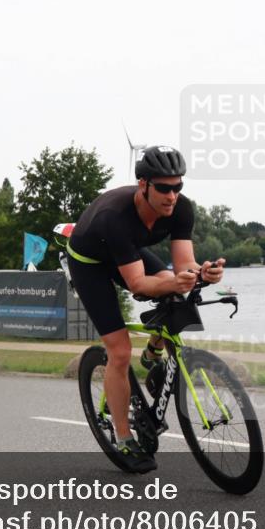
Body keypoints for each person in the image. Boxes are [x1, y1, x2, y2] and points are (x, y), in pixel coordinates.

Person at [66, 145, 225, 473]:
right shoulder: (116, 216)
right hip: (90, 261)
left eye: (178, 187)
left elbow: (184, 266)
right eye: (164, 188)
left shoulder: (182, 209)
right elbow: (138, 284)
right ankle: (124, 438)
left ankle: (154, 356)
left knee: (176, 289)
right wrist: (177, 282)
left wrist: (202, 274)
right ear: (143, 185)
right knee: (120, 351)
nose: (172, 196)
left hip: (125, 250)